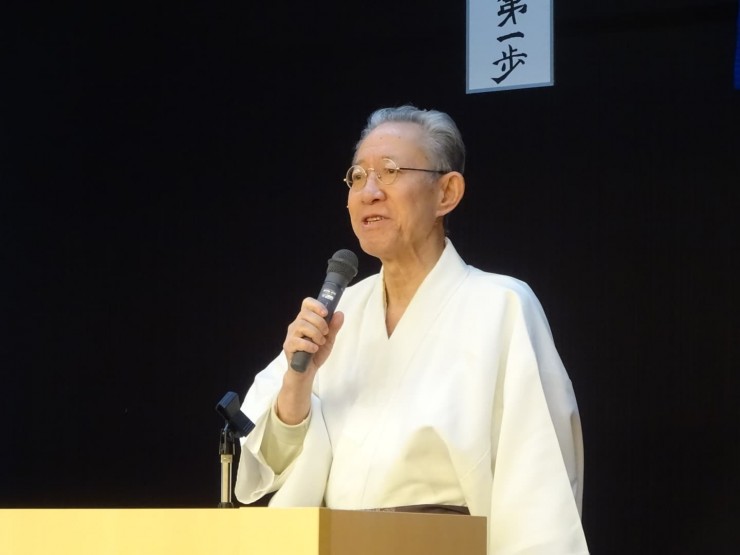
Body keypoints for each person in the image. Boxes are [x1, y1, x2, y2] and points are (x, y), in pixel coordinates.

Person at [234, 105, 589, 554]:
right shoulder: (338, 313)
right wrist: (297, 384)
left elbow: (538, 487)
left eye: (390, 171)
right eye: (358, 176)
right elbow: (263, 466)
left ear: (447, 192)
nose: (370, 192)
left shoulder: (502, 305)